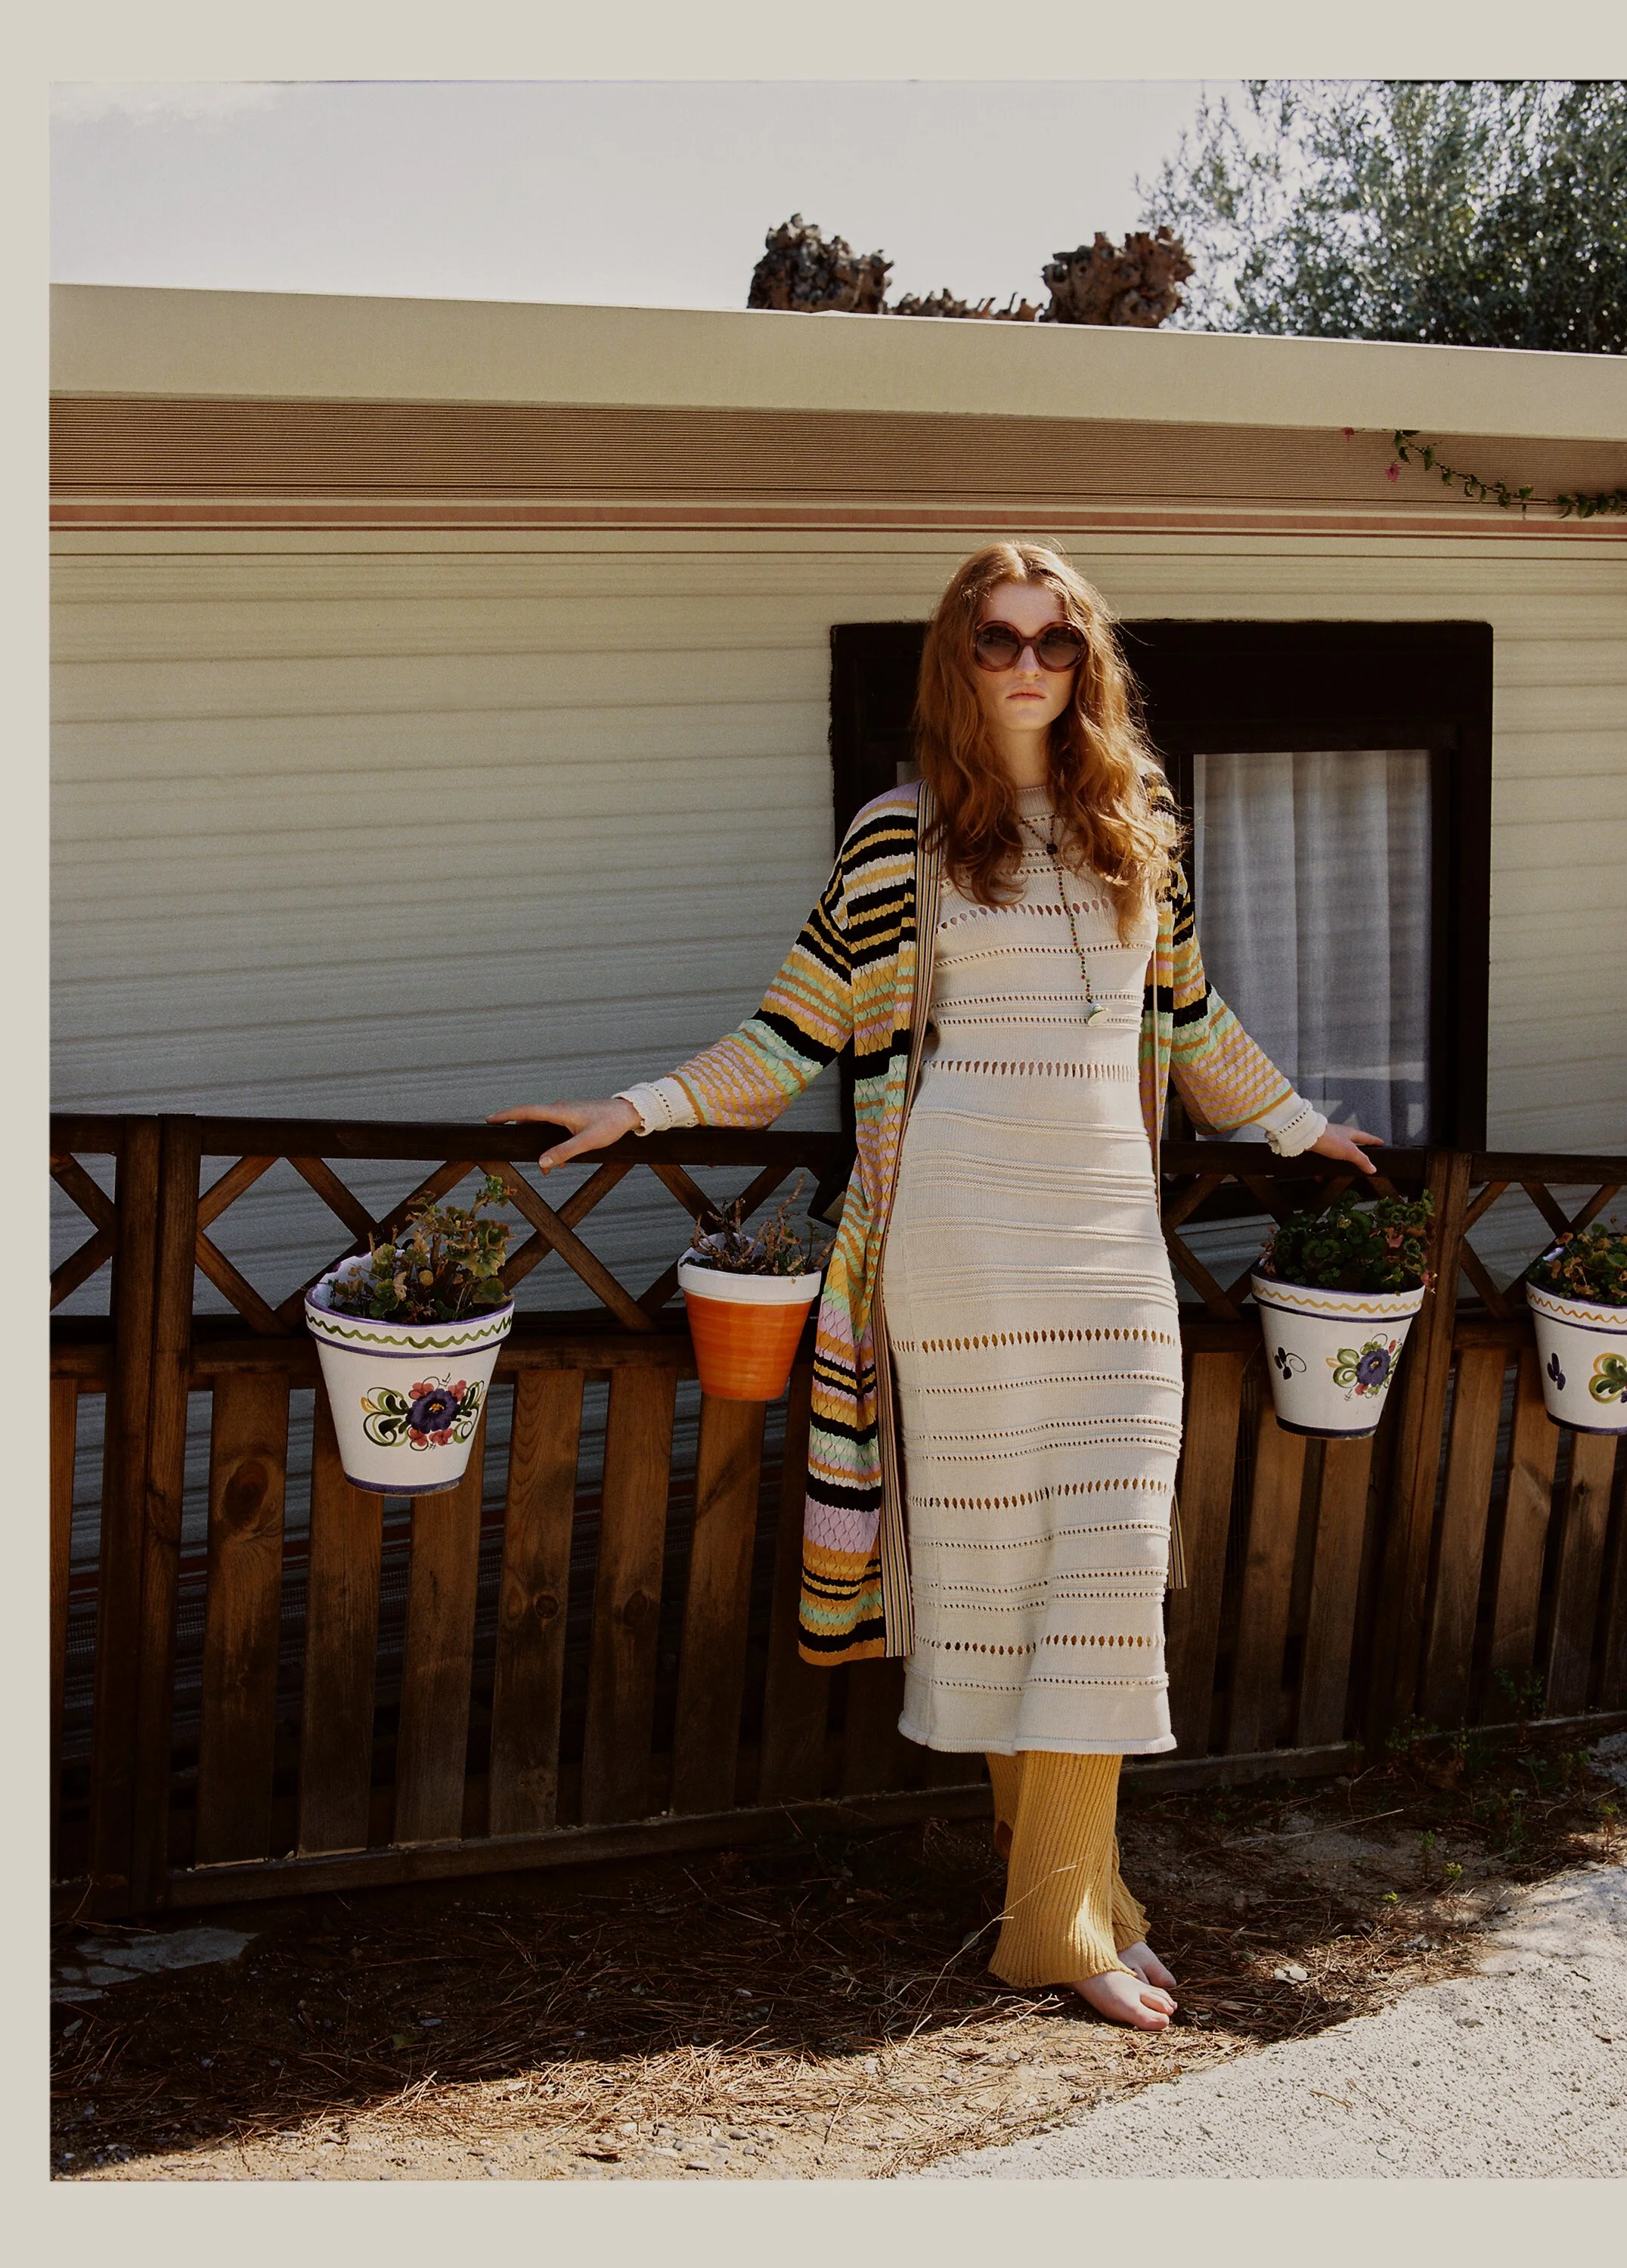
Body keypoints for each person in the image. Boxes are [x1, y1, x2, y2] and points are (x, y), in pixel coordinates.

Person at [491, 541, 1378, 2029]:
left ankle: (1068, 1904)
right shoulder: (903, 835)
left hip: (1109, 1250)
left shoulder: (1135, 825)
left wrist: (1295, 1121)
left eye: (1053, 640)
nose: (1027, 664)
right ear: (955, 661)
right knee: (999, 1577)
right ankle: (1064, 1917)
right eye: (996, 641)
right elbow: (792, 1036)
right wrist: (637, 1106)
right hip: (961, 1244)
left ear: (1086, 662)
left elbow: (1191, 1013)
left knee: (1100, 1573)